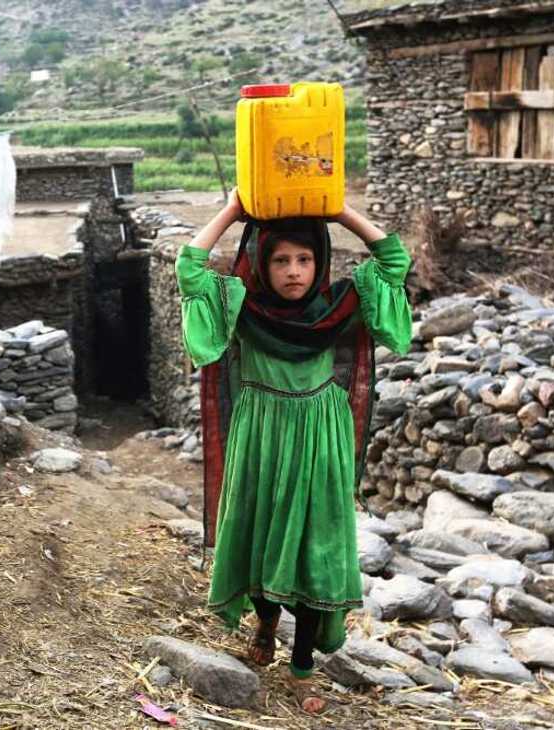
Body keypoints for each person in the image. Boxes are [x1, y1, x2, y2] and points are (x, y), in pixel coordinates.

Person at [176, 190, 412, 714]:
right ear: (262, 262)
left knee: (314, 547)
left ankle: (303, 666)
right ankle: (264, 622)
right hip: (260, 432)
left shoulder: (341, 304)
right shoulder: (242, 304)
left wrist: (339, 211)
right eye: (280, 259)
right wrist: (235, 210)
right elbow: (189, 268)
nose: (293, 271)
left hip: (320, 437)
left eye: (304, 259)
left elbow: (395, 262)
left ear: (320, 262)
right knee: (258, 534)